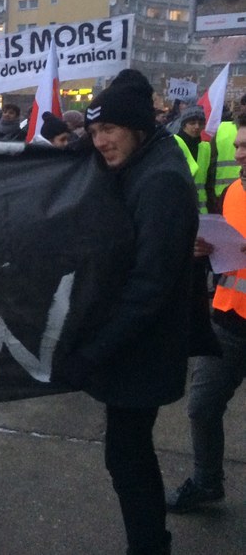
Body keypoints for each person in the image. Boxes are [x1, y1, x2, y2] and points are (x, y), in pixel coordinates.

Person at [54, 69, 199, 555]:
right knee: (128, 455)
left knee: (129, 459)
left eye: (109, 130)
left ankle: (151, 547)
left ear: (137, 127)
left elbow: (149, 286)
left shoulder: (161, 181)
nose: (101, 142)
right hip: (138, 346)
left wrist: (92, 351)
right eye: (94, 132)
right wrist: (80, 147)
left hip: (145, 349)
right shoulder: (145, 162)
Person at [165, 111, 246, 515]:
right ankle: (206, 482)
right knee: (201, 406)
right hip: (228, 319)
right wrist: (203, 250)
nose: (240, 154)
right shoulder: (234, 192)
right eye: (241, 146)